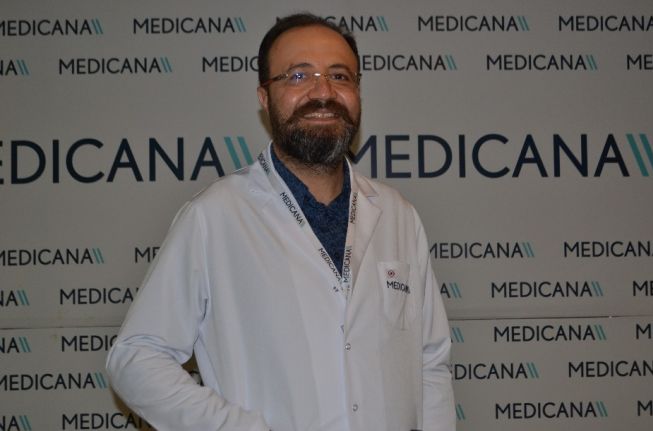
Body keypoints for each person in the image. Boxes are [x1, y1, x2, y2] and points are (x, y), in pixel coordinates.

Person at [106, 13, 455, 431]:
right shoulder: (215, 216)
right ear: (264, 96)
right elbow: (136, 358)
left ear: (357, 91)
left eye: (339, 76)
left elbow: (429, 362)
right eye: (298, 76)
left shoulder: (398, 215)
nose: (323, 92)